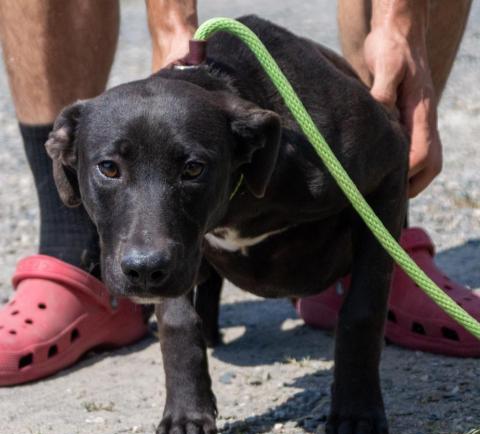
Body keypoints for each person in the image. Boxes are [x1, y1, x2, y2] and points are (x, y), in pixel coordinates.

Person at [0, 0, 477, 386]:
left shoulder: (309, 150)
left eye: (190, 167)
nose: (143, 251)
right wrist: (170, 21)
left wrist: (400, 27)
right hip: (229, 210)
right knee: (167, 197)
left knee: (381, 108)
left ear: (256, 149)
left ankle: (383, 265)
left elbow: (391, 155)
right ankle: (75, 260)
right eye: (108, 168)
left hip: (312, 203)